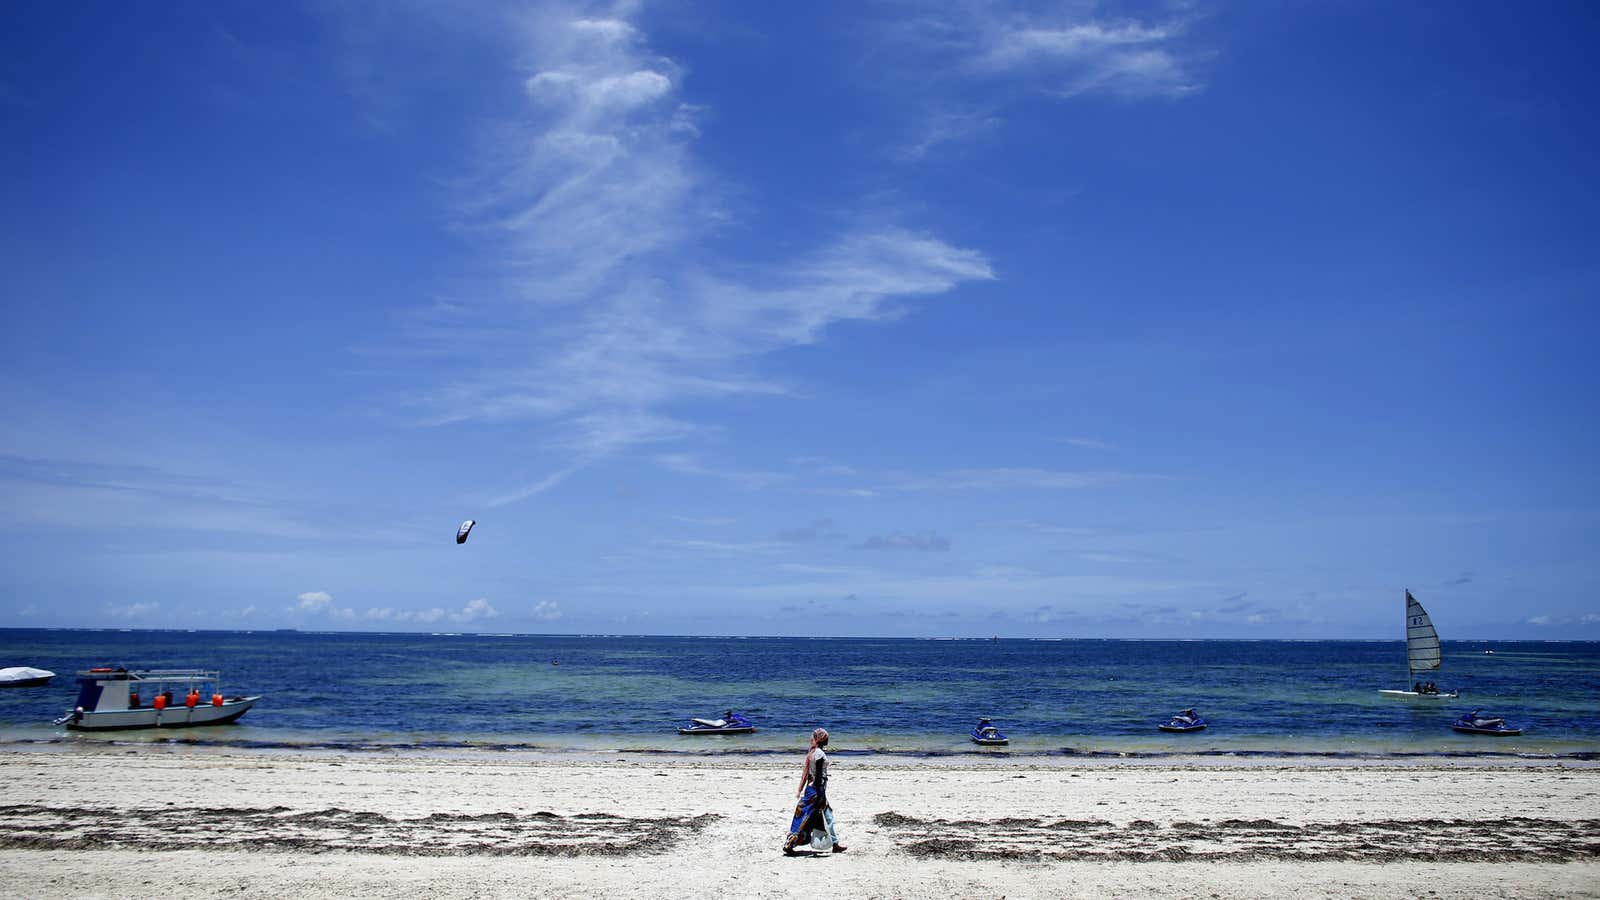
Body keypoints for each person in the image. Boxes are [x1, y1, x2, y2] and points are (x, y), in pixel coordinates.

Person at [783, 727, 846, 854]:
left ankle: (835, 843)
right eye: (825, 737)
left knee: (823, 816)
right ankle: (791, 842)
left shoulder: (812, 753)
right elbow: (817, 776)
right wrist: (821, 795)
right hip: (817, 791)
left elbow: (808, 774)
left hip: (811, 789)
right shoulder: (819, 754)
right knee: (808, 818)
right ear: (822, 739)